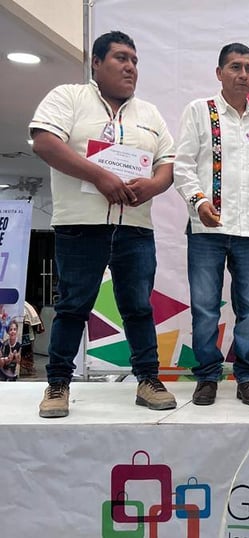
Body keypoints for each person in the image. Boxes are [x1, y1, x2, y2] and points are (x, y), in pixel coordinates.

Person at [29, 31, 177, 418]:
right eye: (121, 58)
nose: (130, 67)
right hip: (81, 225)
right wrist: (99, 176)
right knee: (72, 307)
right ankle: (58, 384)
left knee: (139, 307)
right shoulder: (68, 98)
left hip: (135, 227)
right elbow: (44, 142)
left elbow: (167, 164)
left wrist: (153, 185)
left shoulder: (149, 114)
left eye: (135, 61)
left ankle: (148, 380)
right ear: (96, 63)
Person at [174, 43, 249, 406]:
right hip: (207, 229)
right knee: (205, 308)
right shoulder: (200, 111)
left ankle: (248, 376)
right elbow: (183, 164)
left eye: (248, 68)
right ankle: (207, 376)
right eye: (235, 67)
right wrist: (199, 202)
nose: (243, 74)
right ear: (219, 73)